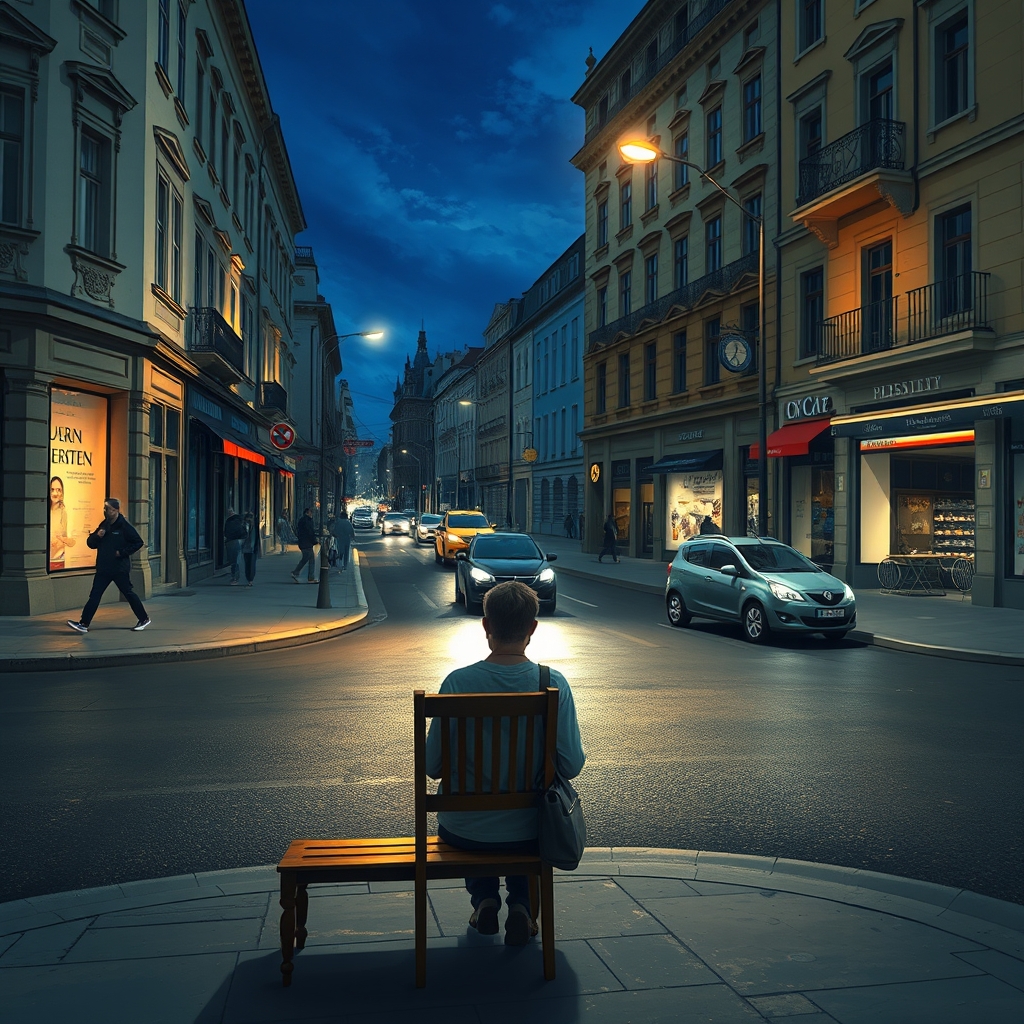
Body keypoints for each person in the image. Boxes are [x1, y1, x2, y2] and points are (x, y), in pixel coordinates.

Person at [425, 581, 585, 946]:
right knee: (525, 828)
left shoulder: (456, 683)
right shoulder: (552, 684)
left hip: (463, 831)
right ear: (532, 628)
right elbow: (571, 765)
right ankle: (523, 906)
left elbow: (433, 766)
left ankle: (484, 899)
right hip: (531, 832)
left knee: (479, 828)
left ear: (486, 626)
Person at [67, 498, 150, 633]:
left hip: (119, 569)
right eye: (104, 508)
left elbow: (138, 542)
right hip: (104, 568)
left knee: (128, 593)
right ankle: (83, 624)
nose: (105, 512)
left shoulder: (124, 526)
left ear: (116, 510)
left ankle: (144, 618)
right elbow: (90, 543)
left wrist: (121, 553)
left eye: (108, 509)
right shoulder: (104, 525)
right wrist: (98, 536)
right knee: (95, 595)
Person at [49, 475, 76, 571]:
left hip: (58, 561)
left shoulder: (64, 512)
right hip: (44, 560)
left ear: (62, 492)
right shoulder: (44, 511)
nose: (55, 493)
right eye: (52, 489)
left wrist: (62, 539)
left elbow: (71, 541)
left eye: (58, 490)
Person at [291, 508, 318, 583]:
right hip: (306, 543)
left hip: (304, 542)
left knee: (311, 558)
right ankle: (296, 572)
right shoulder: (307, 521)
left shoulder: (302, 520)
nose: (311, 513)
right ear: (307, 512)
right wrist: (314, 541)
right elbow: (310, 532)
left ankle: (311, 577)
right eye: (310, 512)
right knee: (306, 558)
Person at [224, 507, 246, 585]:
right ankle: (236, 577)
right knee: (237, 560)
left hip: (232, 542)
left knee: (233, 561)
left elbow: (226, 532)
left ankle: (235, 578)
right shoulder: (240, 519)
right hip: (239, 541)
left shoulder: (229, 521)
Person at [241, 512, 261, 586]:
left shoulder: (253, 527)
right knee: (249, 564)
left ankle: (250, 579)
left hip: (250, 548)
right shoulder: (245, 526)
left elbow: (256, 539)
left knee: (249, 564)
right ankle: (249, 579)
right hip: (248, 548)